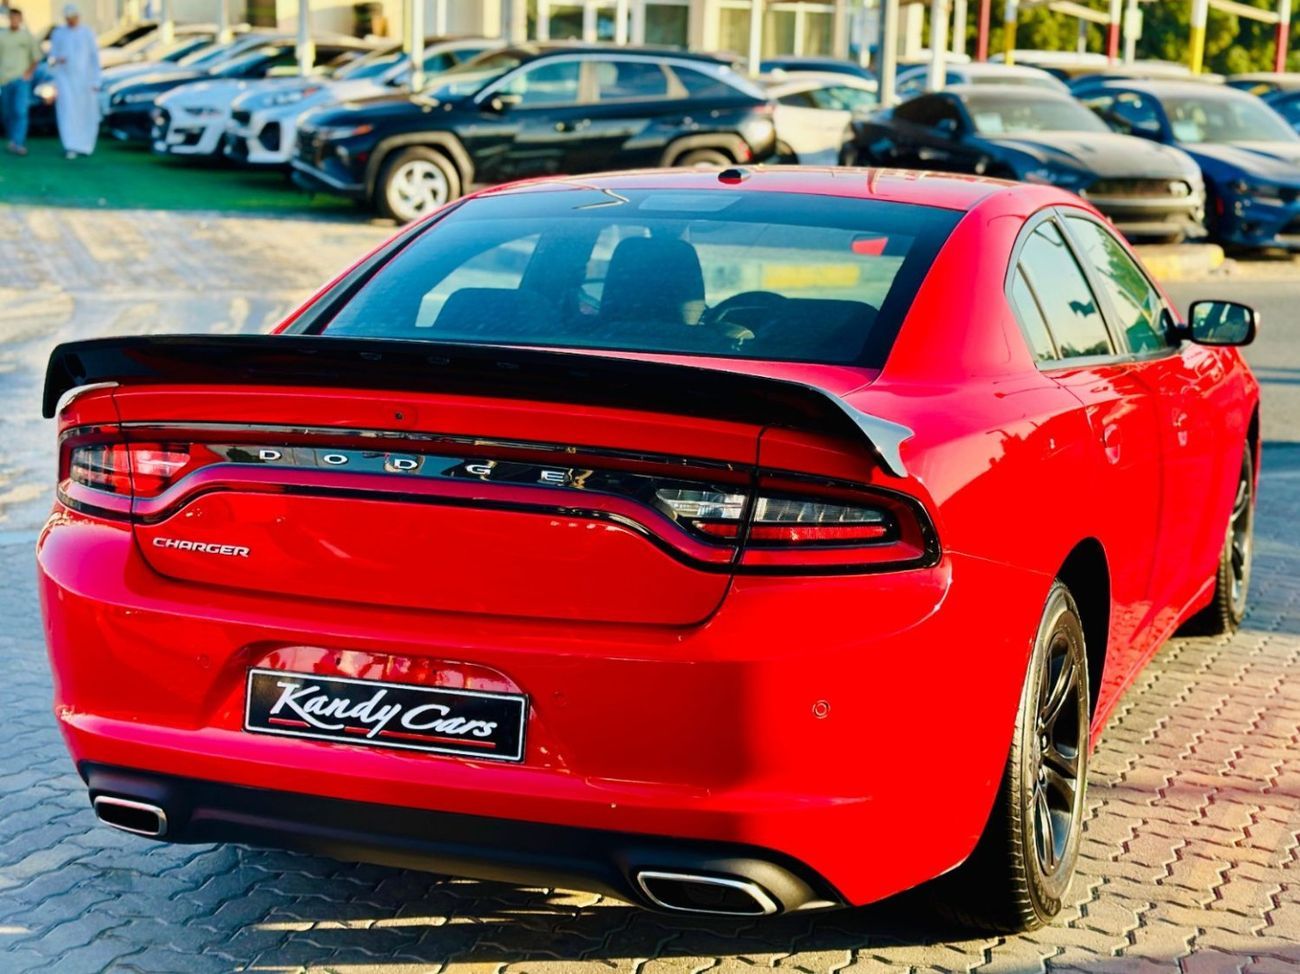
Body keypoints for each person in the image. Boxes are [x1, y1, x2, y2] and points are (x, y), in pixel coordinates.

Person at [48, 4, 99, 158]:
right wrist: (57, 60)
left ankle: (85, 145)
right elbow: (51, 58)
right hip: (65, 81)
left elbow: (94, 59)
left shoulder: (87, 33)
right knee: (67, 113)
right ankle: (70, 145)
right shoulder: (59, 34)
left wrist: (96, 80)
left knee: (86, 113)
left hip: (85, 82)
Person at [0, 6, 40, 155]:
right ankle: (12, 140)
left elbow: (36, 57)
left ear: (21, 19)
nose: (14, 20)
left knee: (20, 111)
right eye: (12, 17)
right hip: (4, 80)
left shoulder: (27, 36)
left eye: (17, 18)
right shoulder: (2, 36)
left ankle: (19, 142)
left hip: (21, 80)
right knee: (7, 112)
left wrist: (29, 73)